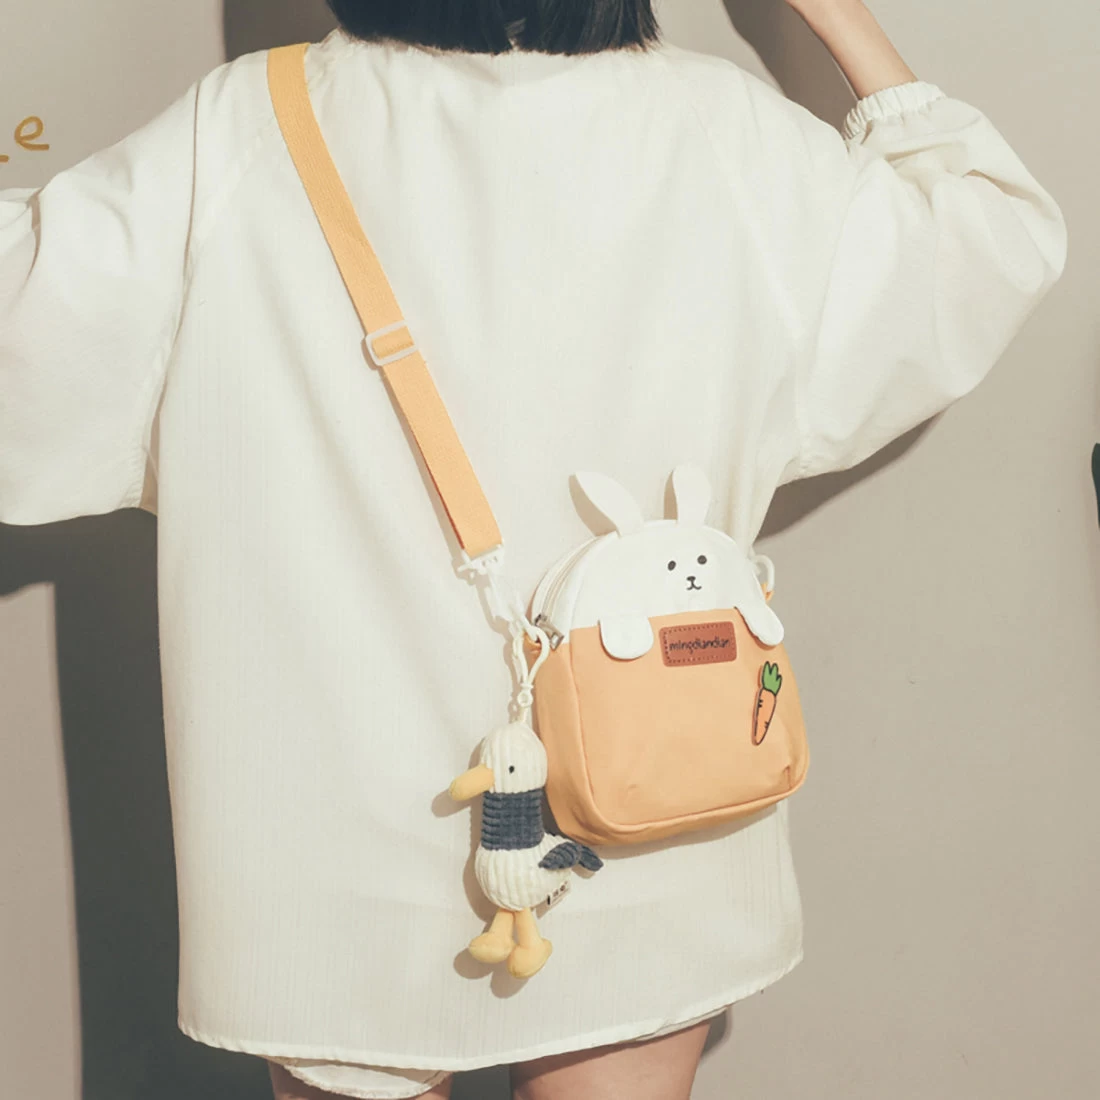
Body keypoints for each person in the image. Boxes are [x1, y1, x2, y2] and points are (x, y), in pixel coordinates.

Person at [0, 0, 1067, 1098]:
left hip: (334, 837)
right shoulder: (723, 131)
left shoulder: (234, 134)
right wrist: (832, 12)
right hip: (646, 790)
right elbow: (978, 240)